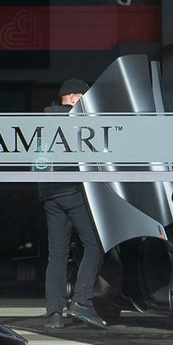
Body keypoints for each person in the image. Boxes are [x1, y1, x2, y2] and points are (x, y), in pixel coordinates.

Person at [40, 78, 106, 329]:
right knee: (95, 244)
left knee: (57, 254)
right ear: (74, 97)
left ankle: (54, 314)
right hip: (72, 190)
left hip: (48, 192)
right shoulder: (75, 120)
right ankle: (82, 301)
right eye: (81, 96)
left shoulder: (44, 119)